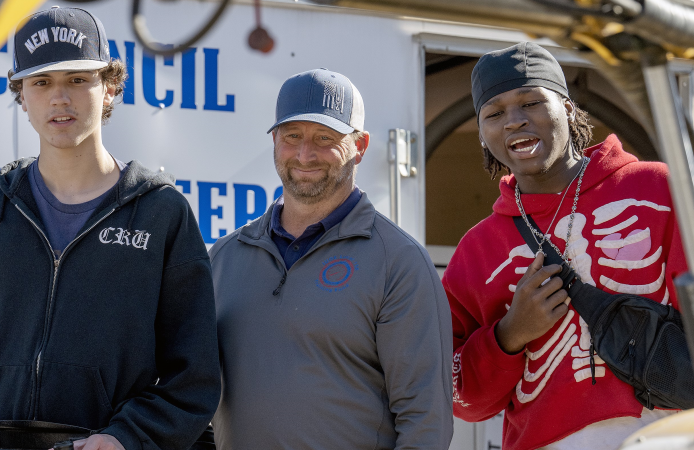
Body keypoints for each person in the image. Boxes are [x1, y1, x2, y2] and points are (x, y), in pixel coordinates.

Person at [0, 7, 220, 450]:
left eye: (77, 79)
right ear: (21, 94)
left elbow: (194, 376)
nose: (59, 98)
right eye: (42, 82)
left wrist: (123, 439)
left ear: (109, 87)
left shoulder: (161, 214)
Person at [445, 42, 688, 450]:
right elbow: (461, 397)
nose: (514, 122)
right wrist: (509, 334)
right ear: (483, 134)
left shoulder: (660, 189)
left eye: (531, 102)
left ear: (569, 109)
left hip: (671, 435)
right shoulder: (476, 251)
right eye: (495, 113)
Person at [209, 69, 453, 449]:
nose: (305, 154)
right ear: (275, 141)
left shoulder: (398, 262)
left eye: (325, 138)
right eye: (292, 137)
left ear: (360, 145)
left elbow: (426, 420)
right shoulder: (224, 257)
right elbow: (194, 395)